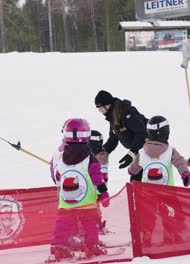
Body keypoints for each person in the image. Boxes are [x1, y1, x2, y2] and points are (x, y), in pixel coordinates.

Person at [47, 118, 110, 263]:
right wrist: (103, 193)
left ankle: (59, 245)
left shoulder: (61, 157)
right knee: (89, 223)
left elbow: (58, 176)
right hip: (86, 201)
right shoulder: (90, 158)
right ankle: (91, 244)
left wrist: (61, 188)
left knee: (63, 223)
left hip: (67, 201)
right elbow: (97, 177)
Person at [127, 115, 190, 246]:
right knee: (170, 213)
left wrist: (131, 171)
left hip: (147, 193)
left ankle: (146, 235)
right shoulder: (170, 151)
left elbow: (134, 166)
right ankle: (171, 234)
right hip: (167, 192)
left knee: (148, 216)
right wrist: (185, 174)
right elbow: (179, 163)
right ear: (166, 132)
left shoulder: (142, 152)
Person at [94, 90, 149, 182]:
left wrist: (131, 153)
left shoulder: (126, 112)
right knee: (136, 178)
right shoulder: (112, 117)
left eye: (101, 108)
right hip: (138, 149)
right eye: (98, 109)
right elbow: (113, 139)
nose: (100, 111)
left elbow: (142, 133)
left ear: (108, 105)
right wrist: (101, 151)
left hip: (149, 147)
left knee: (139, 178)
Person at [89, 130, 110, 234]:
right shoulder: (101, 154)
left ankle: (95, 225)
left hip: (95, 188)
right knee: (94, 207)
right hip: (99, 188)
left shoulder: (96, 157)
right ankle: (97, 223)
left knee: (91, 208)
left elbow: (99, 175)